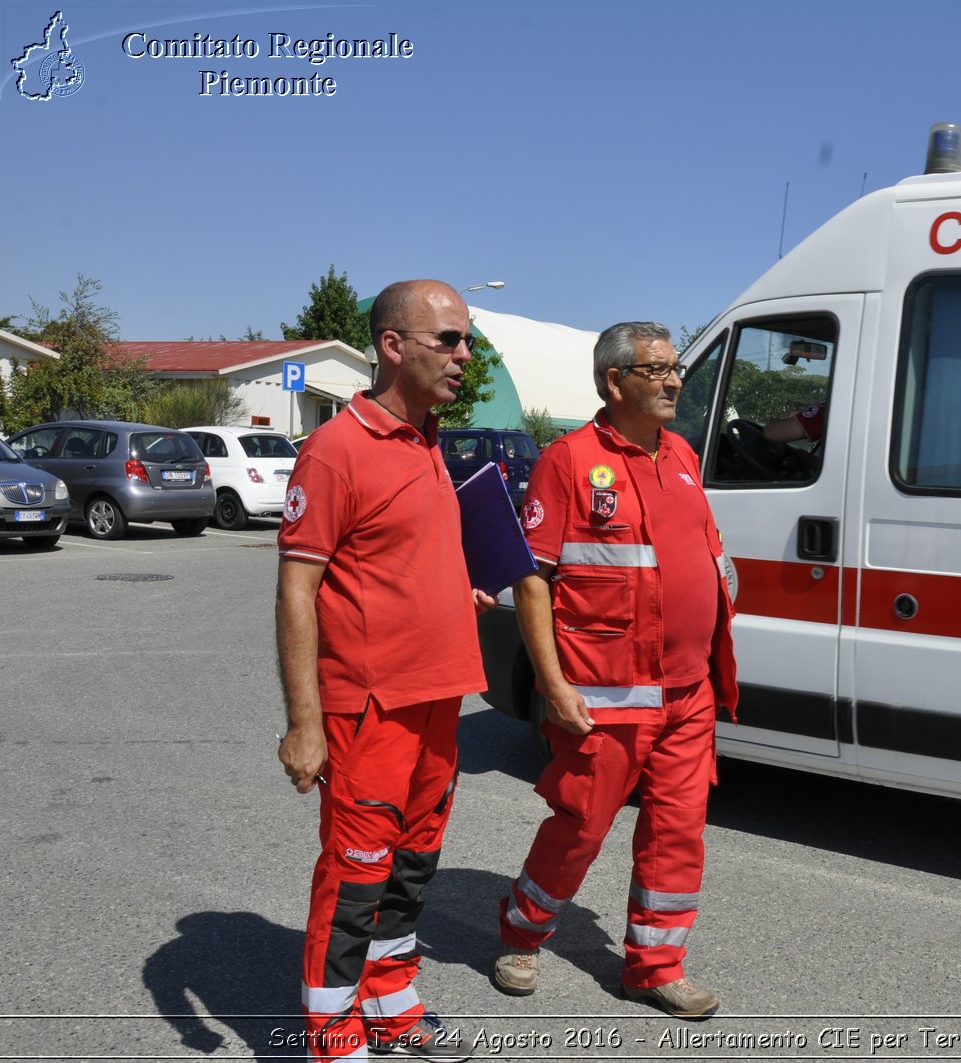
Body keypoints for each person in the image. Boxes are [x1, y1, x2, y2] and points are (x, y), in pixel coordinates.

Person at [495, 321, 737, 1020]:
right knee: (581, 827)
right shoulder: (568, 462)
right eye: (656, 369)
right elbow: (531, 578)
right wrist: (553, 682)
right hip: (604, 696)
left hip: (688, 693)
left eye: (675, 369)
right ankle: (522, 928)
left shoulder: (684, 455)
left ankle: (654, 965)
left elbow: (706, 557)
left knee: (678, 829)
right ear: (614, 381)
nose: (673, 381)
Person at [277, 279, 491, 1063]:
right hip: (370, 708)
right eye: (449, 340)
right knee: (355, 878)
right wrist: (305, 722)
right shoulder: (336, 449)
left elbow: (396, 558)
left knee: (409, 869)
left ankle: (392, 1005)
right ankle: (333, 1041)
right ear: (392, 346)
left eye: (466, 340)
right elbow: (297, 587)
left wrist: (449, 590)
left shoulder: (430, 437)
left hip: (439, 697)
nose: (465, 356)